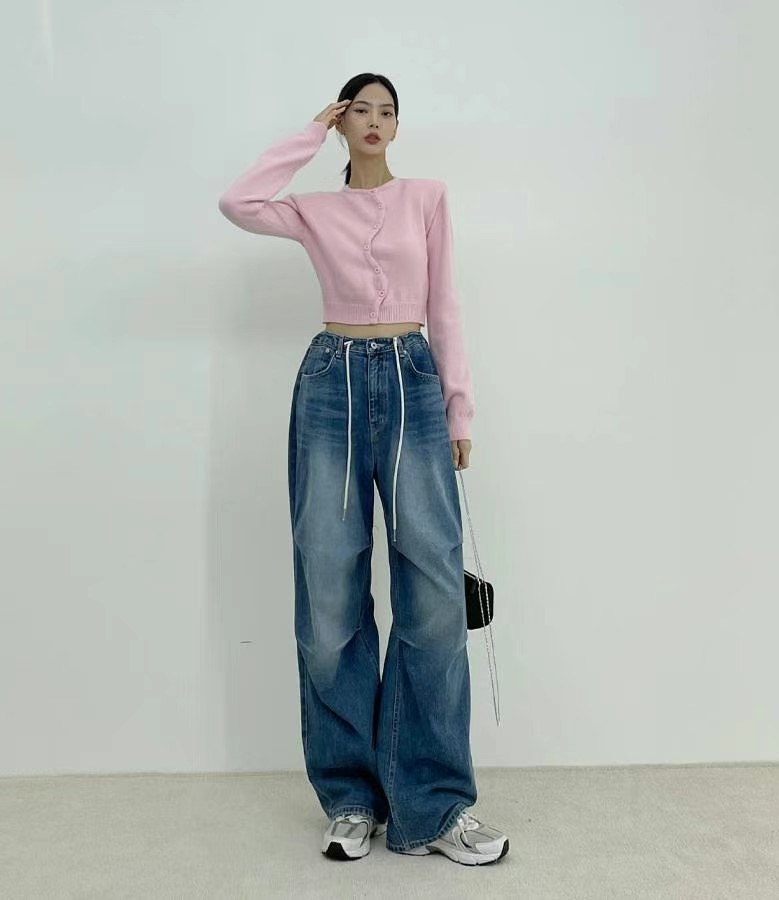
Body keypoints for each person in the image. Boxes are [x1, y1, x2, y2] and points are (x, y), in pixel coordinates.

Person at [218, 72, 509, 866]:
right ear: (344, 125)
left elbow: (445, 304)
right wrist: (309, 131)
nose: (374, 122)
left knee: (434, 598)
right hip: (331, 385)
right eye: (360, 112)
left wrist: (459, 408)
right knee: (329, 600)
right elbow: (239, 201)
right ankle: (351, 800)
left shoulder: (427, 198)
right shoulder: (314, 209)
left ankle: (433, 808)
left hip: (412, 380)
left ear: (398, 127)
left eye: (387, 112)